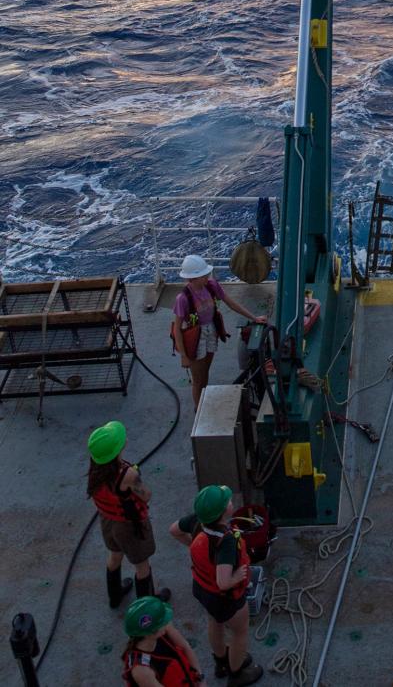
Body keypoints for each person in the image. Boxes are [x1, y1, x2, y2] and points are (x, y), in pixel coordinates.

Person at [169, 484, 263, 686]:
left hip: (203, 591)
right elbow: (223, 582)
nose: (231, 502)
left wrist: (193, 544)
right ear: (224, 512)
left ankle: (221, 663)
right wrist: (237, 576)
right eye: (227, 501)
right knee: (240, 632)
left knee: (215, 622)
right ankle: (236, 674)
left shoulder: (197, 521)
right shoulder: (226, 542)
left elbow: (174, 530)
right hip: (226, 598)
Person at [87, 421, 171, 611]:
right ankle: (148, 607)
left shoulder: (96, 468)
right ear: (118, 448)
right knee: (142, 565)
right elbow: (146, 495)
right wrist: (136, 475)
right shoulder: (128, 474)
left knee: (114, 555)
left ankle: (114, 596)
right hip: (129, 526)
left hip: (107, 521)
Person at [172, 255, 267, 409]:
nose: (207, 277)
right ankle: (199, 410)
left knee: (205, 371)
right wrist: (184, 356)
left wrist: (254, 318)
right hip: (196, 338)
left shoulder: (211, 286)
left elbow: (230, 302)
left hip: (211, 332)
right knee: (197, 379)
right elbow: (177, 329)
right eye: (203, 275)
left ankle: (203, 398)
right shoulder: (182, 299)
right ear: (193, 279)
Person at [121, 595, 205, 685]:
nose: (167, 622)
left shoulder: (163, 629)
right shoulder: (142, 671)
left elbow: (186, 647)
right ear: (152, 632)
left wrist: (200, 679)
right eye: (163, 622)